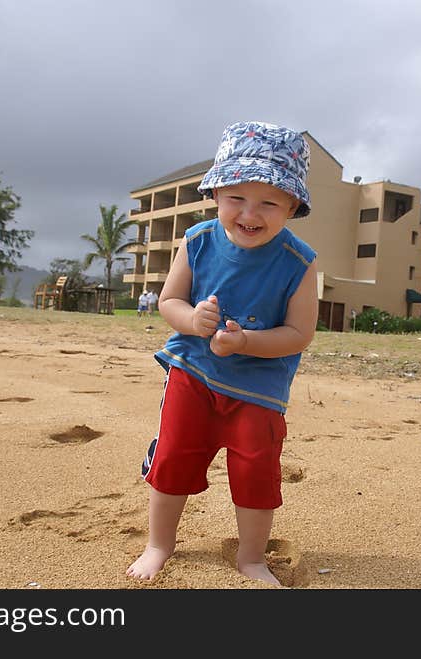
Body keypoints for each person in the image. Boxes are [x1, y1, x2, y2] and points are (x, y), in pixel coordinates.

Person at [126, 121, 318, 586]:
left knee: (256, 469)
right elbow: (171, 301)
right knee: (173, 457)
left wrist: (247, 342)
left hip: (258, 387)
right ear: (215, 195)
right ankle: (160, 544)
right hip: (193, 372)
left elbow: (298, 333)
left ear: (291, 206)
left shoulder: (300, 263)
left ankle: (252, 557)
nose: (250, 213)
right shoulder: (197, 241)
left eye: (269, 202)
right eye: (237, 197)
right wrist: (192, 321)